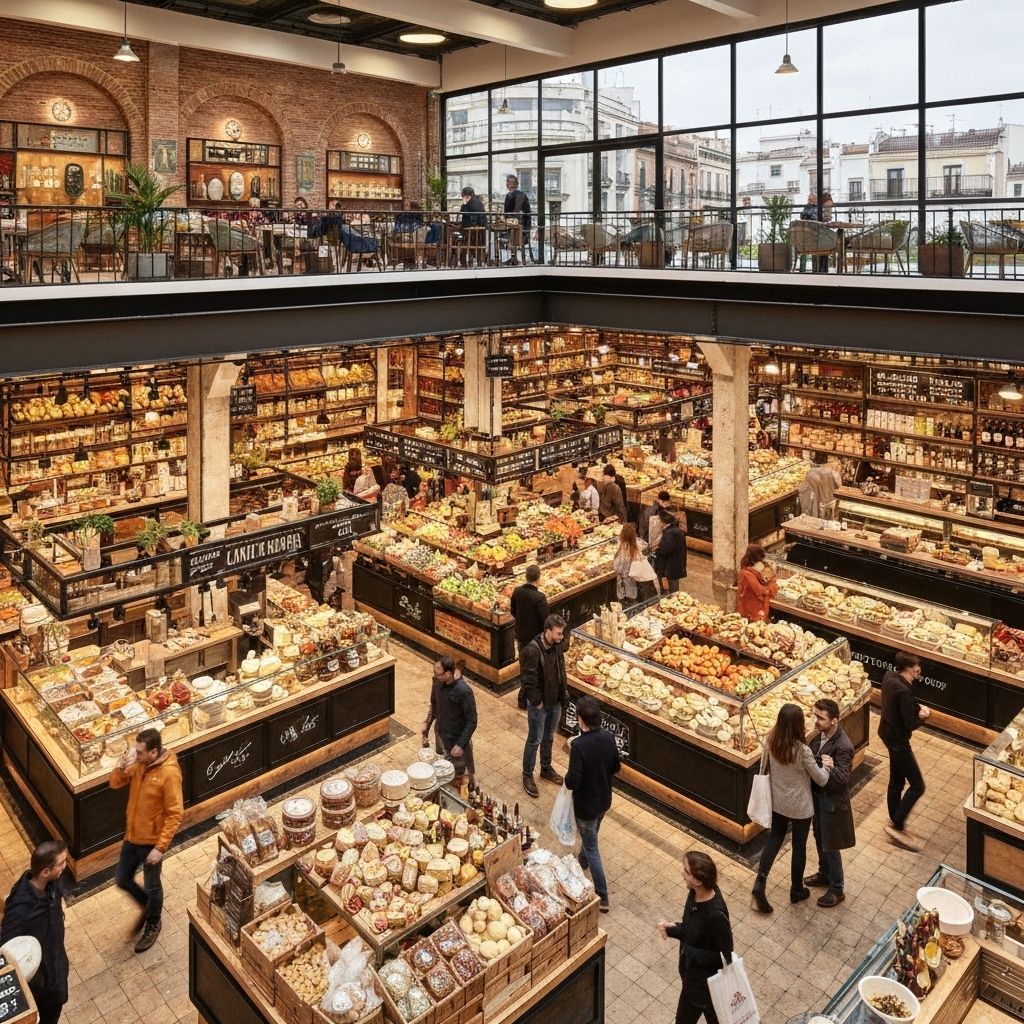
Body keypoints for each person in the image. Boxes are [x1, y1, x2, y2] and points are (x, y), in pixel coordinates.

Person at [751, 703, 830, 914]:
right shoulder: (803, 751)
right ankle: (796, 889)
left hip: (778, 803)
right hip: (801, 807)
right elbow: (821, 779)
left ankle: (760, 882)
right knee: (799, 846)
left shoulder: (771, 742)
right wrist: (828, 766)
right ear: (798, 725)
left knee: (774, 839)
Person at [111, 727, 184, 953]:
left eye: (140, 752)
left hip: (152, 843)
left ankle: (153, 923)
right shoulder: (139, 765)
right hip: (132, 836)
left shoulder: (169, 775)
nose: (137, 755)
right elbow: (114, 783)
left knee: (153, 886)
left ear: (153, 752)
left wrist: (160, 847)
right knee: (122, 879)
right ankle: (148, 907)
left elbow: (175, 813)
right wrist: (122, 765)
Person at [658, 851, 734, 1024]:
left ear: (698, 880)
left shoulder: (716, 915)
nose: (682, 874)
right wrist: (673, 930)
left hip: (705, 985)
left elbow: (726, 955)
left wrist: (691, 952)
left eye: (686, 872)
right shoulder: (694, 894)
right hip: (691, 976)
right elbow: (693, 931)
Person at [0, 841, 69, 1024]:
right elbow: (8, 951)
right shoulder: (21, 908)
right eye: (61, 863)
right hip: (42, 985)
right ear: (45, 871)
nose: (65, 866)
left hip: (57, 966)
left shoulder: (52, 884)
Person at [565, 695, 620, 913]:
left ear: (580, 720)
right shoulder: (608, 737)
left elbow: (573, 782)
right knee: (591, 837)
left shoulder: (579, 746)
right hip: (603, 801)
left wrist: (567, 778)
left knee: (592, 846)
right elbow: (616, 767)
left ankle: (603, 896)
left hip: (586, 806)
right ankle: (582, 862)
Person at [804, 698, 855, 908]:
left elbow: (842, 778)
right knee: (819, 838)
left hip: (832, 803)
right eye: (815, 715)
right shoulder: (822, 735)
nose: (816, 720)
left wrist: (829, 768)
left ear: (834, 721)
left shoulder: (844, 746)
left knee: (831, 845)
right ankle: (824, 873)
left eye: (820, 717)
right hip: (818, 798)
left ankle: (837, 888)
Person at [879, 651, 930, 851]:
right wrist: (924, 716)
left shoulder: (890, 676)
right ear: (910, 668)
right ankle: (896, 824)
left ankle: (896, 823)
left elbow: (901, 706)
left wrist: (915, 707)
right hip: (899, 740)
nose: (919, 669)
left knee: (897, 780)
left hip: (886, 732)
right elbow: (909, 724)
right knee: (918, 786)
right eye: (917, 666)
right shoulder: (905, 691)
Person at [519, 613, 569, 799]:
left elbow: (561, 669)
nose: (560, 637)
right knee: (535, 739)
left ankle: (546, 768)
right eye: (557, 633)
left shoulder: (557, 645)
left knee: (548, 737)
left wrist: (562, 696)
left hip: (555, 702)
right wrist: (537, 702)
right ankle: (527, 774)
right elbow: (527, 680)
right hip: (540, 706)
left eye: (561, 633)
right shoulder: (531, 651)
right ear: (547, 631)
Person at [422, 655, 477, 786]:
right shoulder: (437, 682)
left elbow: (472, 720)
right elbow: (434, 704)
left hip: (456, 740)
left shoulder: (464, 692)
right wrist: (427, 725)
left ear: (448, 674)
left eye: (438, 674)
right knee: (442, 768)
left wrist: (460, 744)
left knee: (459, 776)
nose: (435, 676)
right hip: (441, 734)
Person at [613, 523, 656, 606]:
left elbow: (617, 568)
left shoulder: (623, 550)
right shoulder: (639, 545)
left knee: (630, 604)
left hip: (628, 583)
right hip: (640, 581)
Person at [510, 564, 550, 651]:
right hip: (535, 638)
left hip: (520, 634)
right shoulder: (540, 597)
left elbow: (513, 610)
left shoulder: (517, 591)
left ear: (526, 577)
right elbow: (546, 620)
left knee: (523, 655)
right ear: (538, 579)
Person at [736, 543, 777, 622]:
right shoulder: (747, 574)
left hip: (748, 605)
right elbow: (762, 590)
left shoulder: (749, 570)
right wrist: (771, 586)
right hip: (752, 609)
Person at [654, 511, 687, 593]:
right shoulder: (676, 531)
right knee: (674, 590)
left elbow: (663, 553)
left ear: (663, 522)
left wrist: (658, 549)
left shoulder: (670, 534)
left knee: (671, 592)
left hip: (670, 570)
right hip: (676, 568)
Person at [502, 174, 532, 265]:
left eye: (512, 183)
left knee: (515, 237)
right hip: (512, 222)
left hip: (521, 223)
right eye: (508, 183)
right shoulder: (508, 195)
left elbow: (517, 210)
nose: (510, 185)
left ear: (516, 184)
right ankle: (513, 258)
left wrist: (510, 219)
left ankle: (516, 259)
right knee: (510, 237)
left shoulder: (520, 195)